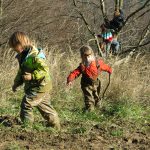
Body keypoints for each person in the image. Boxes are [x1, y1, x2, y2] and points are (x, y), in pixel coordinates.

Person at [9, 31, 60, 130]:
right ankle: (55, 127)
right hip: (36, 86)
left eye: (15, 46)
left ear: (21, 43)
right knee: (45, 107)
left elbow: (45, 70)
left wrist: (32, 76)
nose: (14, 49)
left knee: (26, 103)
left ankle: (27, 127)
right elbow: (21, 72)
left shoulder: (35, 55)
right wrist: (16, 83)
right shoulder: (22, 56)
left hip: (40, 85)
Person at [67, 45, 112, 112]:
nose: (87, 59)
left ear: (92, 55)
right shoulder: (82, 66)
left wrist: (109, 70)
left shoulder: (97, 63)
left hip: (96, 83)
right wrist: (70, 79)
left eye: (89, 56)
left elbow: (105, 67)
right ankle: (90, 109)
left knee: (96, 96)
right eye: (85, 57)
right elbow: (75, 73)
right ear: (82, 57)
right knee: (88, 97)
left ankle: (98, 108)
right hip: (86, 84)